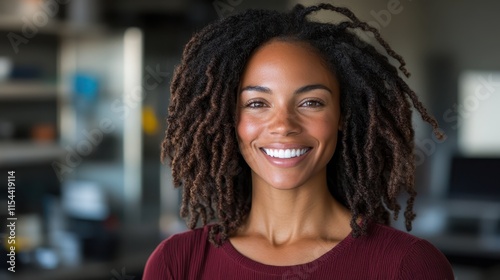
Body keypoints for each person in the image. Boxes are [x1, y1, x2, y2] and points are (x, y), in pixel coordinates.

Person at [144, 3, 455, 279]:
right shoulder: (177, 263)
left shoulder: (408, 266)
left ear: (342, 115)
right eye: (256, 103)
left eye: (310, 102)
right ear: (229, 119)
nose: (283, 126)